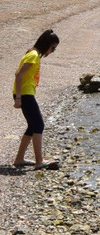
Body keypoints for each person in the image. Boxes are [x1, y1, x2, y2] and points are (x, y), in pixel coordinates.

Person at [12, 29, 60, 170]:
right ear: (46, 44)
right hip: (25, 95)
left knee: (33, 126)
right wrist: (18, 98)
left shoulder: (34, 54)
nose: (52, 51)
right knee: (39, 125)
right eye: (53, 48)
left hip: (26, 94)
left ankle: (19, 159)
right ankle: (39, 161)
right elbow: (18, 75)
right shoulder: (33, 55)